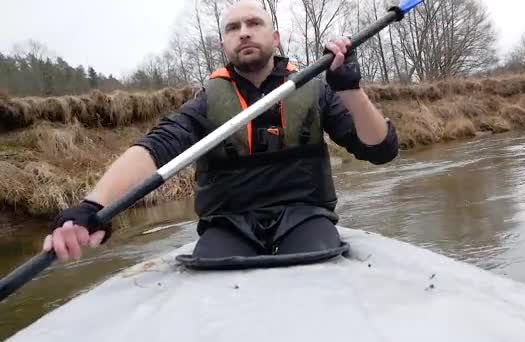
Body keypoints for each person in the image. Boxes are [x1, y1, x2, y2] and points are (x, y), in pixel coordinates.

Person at [43, 0, 399, 262]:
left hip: (306, 217)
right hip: (228, 226)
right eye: (232, 28)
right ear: (223, 44)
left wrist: (349, 89)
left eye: (253, 23)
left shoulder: (316, 88)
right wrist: (92, 206)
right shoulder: (206, 102)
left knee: (316, 258)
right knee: (216, 267)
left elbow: (381, 150)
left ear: (274, 37)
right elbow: (155, 148)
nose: (243, 31)